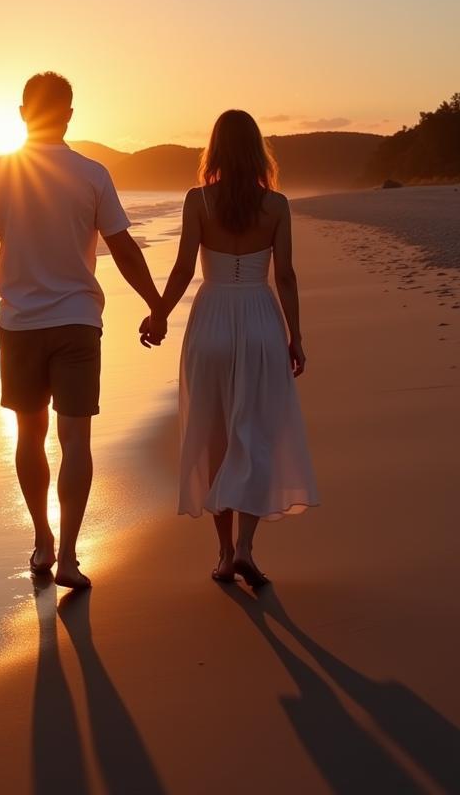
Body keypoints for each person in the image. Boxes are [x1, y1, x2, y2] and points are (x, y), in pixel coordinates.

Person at [0, 71, 164, 589]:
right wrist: (155, 304)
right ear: (69, 113)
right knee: (76, 439)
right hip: (78, 322)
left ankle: (42, 542)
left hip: (20, 323)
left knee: (30, 436)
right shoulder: (92, 174)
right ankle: (70, 555)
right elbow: (122, 246)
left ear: (23, 112)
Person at [140, 110, 318, 587]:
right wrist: (294, 336)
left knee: (217, 437)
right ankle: (245, 549)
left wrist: (158, 314)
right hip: (261, 320)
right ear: (258, 150)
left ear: (214, 150)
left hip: (212, 319)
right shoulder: (277, 205)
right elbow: (285, 277)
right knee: (255, 434)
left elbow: (181, 270)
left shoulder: (198, 201)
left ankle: (222, 555)